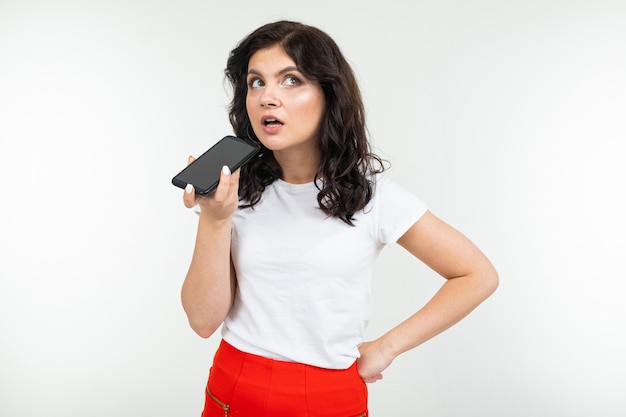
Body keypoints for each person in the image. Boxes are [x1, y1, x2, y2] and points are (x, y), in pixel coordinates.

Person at [180, 20, 498, 417]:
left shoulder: (373, 197)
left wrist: (387, 347)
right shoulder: (234, 191)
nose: (267, 97)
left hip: (330, 395)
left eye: (291, 80)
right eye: (256, 82)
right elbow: (203, 320)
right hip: (235, 388)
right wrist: (215, 220)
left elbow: (476, 275)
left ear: (329, 94)